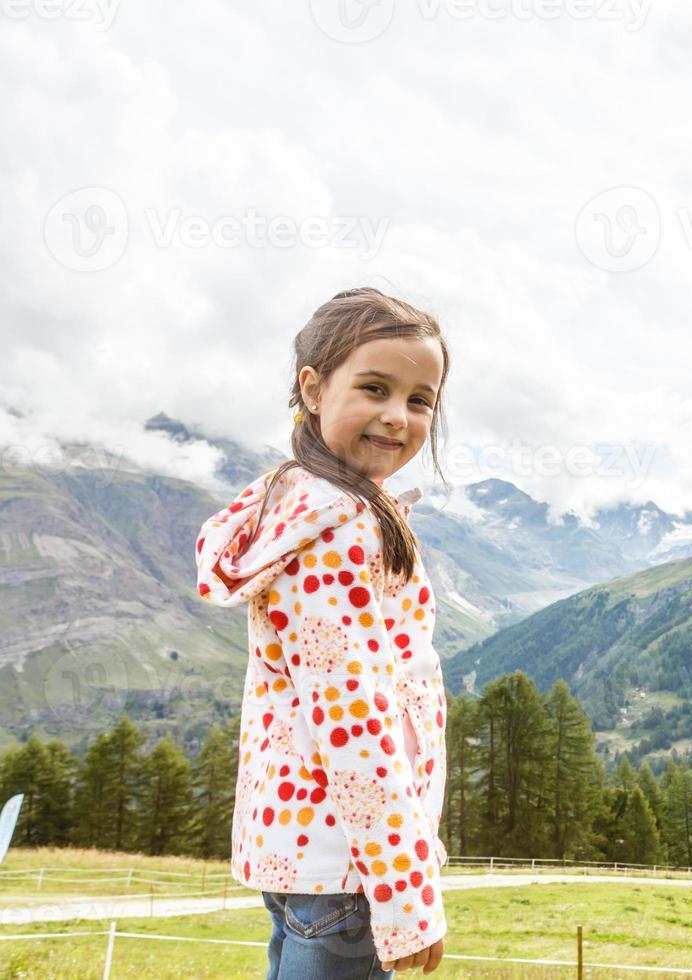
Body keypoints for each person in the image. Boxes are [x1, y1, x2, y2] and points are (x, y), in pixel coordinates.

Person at [195, 286, 453, 978]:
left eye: (420, 399)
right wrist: (407, 893)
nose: (398, 416)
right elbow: (352, 719)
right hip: (349, 865)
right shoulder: (338, 527)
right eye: (375, 388)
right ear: (313, 387)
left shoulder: (294, 501)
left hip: (304, 850)